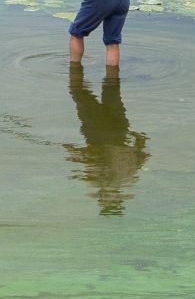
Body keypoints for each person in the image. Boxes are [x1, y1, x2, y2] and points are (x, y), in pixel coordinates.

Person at [64, 62, 150, 215]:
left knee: (110, 90)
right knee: (78, 91)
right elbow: (93, 158)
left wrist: (76, 157)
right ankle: (80, 70)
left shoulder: (126, 178)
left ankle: (83, 68)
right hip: (99, 132)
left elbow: (142, 151)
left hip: (118, 129)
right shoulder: (125, 178)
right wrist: (74, 155)